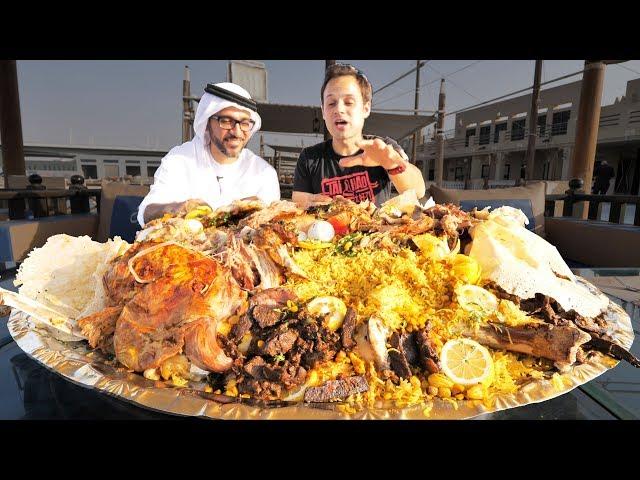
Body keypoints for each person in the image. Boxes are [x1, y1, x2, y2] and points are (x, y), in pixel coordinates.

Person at [137, 82, 280, 226]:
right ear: (207, 122)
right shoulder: (180, 160)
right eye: (226, 121)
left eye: (244, 123)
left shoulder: (264, 173)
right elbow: (146, 213)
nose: (237, 132)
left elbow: (272, 229)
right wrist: (181, 208)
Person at [292, 63, 426, 206]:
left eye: (349, 102)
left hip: (376, 228)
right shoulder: (309, 158)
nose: (339, 109)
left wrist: (390, 163)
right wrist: (310, 202)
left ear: (366, 108)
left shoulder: (381, 147)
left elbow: (418, 191)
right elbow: (298, 198)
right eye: (331, 103)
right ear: (323, 111)